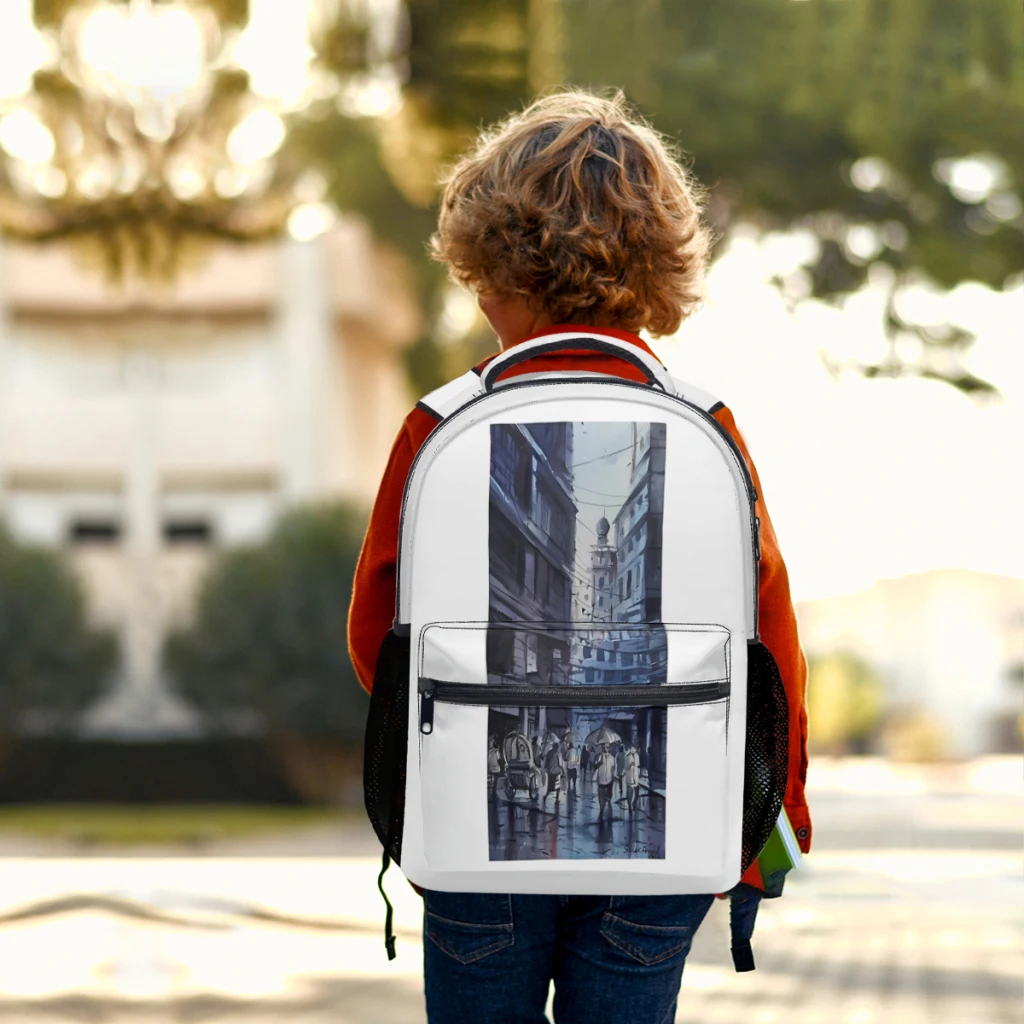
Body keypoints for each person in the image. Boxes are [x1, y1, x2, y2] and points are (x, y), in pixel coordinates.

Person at [348, 89, 810, 1024]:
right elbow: (771, 639)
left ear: (490, 269)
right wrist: (774, 816)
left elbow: (374, 637)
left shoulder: (440, 424)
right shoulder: (707, 424)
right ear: (660, 268)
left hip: (477, 844)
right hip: (663, 840)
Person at [595, 742, 616, 819]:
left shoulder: (612, 758)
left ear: (609, 748)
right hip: (601, 780)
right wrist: (600, 762)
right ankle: (601, 809)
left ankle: (607, 800)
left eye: (606, 747)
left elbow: (613, 768)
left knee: (608, 795)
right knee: (601, 796)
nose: (605, 749)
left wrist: (613, 777)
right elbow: (594, 767)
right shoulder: (598, 757)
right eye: (603, 747)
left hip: (609, 780)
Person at [624, 745, 641, 811]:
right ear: (630, 749)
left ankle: (634, 803)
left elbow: (638, 765)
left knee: (637, 792)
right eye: (632, 749)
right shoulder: (627, 756)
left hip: (636, 776)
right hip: (630, 776)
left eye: (634, 748)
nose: (633, 750)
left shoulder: (637, 756)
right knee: (629, 793)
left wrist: (639, 774)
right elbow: (625, 768)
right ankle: (629, 805)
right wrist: (630, 764)